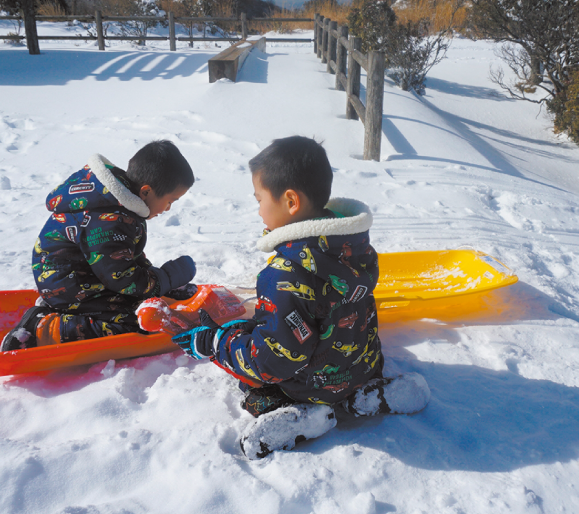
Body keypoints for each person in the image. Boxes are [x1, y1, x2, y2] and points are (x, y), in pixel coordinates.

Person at [170, 136, 429, 458]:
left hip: (313, 385)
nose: (259, 210)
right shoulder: (353, 249)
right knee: (259, 330)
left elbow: (272, 363)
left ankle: (307, 414)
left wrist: (214, 343)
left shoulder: (284, 275)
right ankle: (367, 394)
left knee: (251, 384)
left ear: (291, 201)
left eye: (260, 199)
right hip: (364, 366)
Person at [0, 140, 197, 351]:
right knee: (135, 325)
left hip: (90, 277)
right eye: (170, 201)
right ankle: (41, 328)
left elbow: (124, 259)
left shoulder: (122, 205)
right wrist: (165, 279)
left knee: (137, 303)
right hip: (70, 288)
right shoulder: (108, 220)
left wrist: (157, 284)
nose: (168, 209)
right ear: (146, 191)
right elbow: (122, 278)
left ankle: (68, 311)